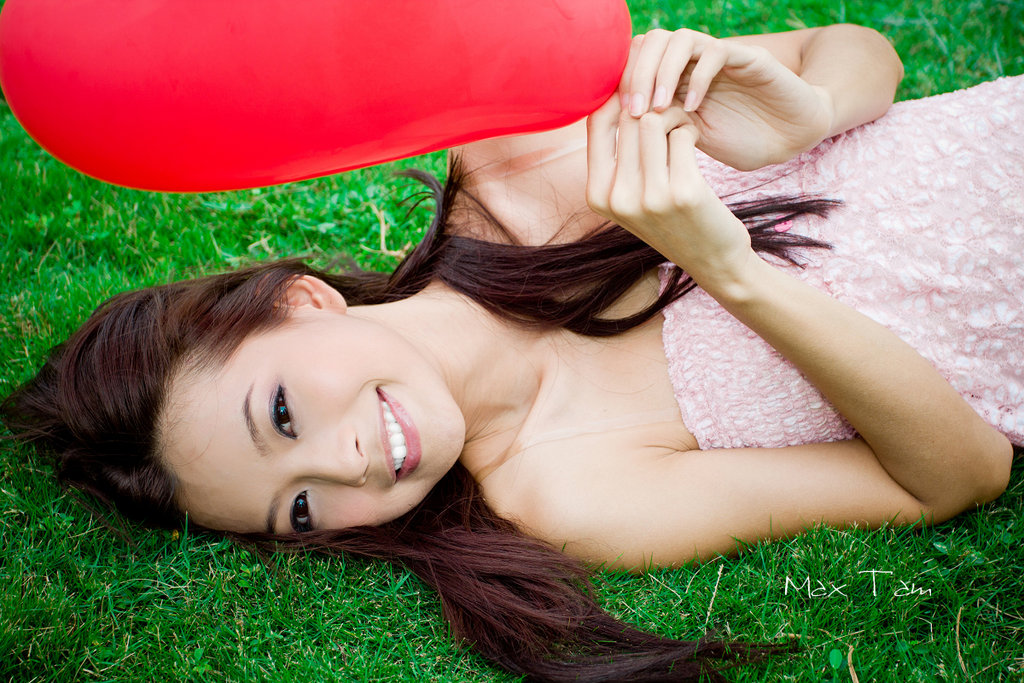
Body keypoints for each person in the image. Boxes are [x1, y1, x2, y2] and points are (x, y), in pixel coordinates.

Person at [3, 23, 1021, 681]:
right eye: (300, 508)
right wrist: (731, 273)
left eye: (280, 414)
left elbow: (860, 50)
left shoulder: (514, 159)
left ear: (299, 301)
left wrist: (809, 114)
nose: (344, 464)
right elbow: (958, 473)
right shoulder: (567, 492)